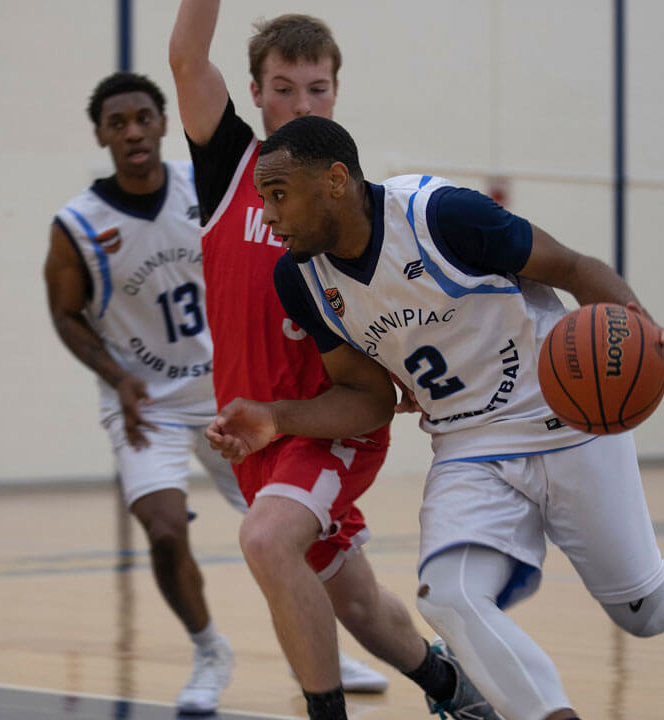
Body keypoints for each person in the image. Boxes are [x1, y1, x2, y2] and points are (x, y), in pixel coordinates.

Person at [206, 115, 664, 720]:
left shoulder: (440, 215)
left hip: (566, 414)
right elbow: (367, 398)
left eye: (279, 194)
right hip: (468, 442)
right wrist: (276, 417)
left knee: (645, 609)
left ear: (335, 181)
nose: (269, 214)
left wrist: (639, 326)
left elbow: (574, 268)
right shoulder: (301, 278)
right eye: (263, 198)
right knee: (447, 598)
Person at [169, 5, 498, 720]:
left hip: (328, 422)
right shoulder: (232, 168)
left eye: (316, 88)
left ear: (336, 94)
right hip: (255, 433)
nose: (300, 104)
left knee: (264, 539)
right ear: (253, 94)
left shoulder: (339, 196)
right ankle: (456, 691)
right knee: (353, 601)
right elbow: (188, 61)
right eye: (283, 87)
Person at [43, 71, 389, 714]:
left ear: (162, 121)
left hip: (228, 393)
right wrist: (118, 379)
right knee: (165, 529)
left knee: (296, 531)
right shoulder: (78, 225)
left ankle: (326, 647)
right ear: (101, 134)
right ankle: (208, 651)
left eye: (144, 117)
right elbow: (65, 313)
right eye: (117, 123)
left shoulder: (209, 184)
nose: (134, 131)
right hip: (142, 398)